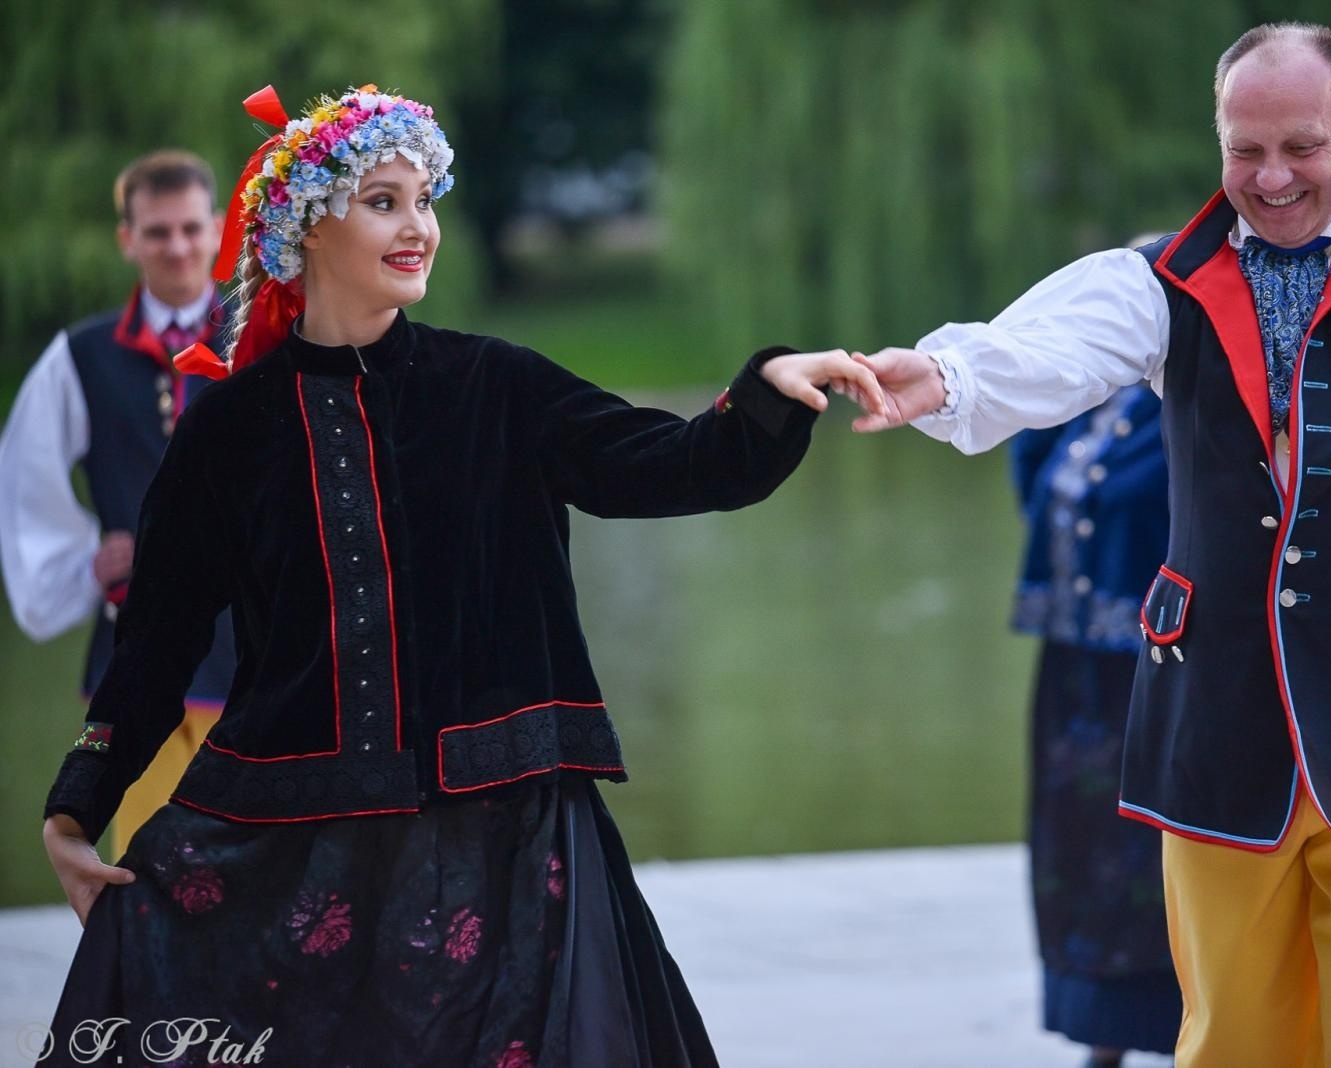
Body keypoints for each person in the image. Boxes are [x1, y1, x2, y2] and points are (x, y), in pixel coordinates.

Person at [38, 84, 883, 1068]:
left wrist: (768, 389)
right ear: (306, 226)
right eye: (383, 201)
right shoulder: (229, 430)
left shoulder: (498, 386)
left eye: (426, 199)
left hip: (511, 838)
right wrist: (76, 806)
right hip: (300, 843)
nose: (419, 228)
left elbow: (678, 462)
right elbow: (157, 643)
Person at [849, 22, 1331, 1067]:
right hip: (1212, 712)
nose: (1271, 175)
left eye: (1301, 146)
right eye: (1244, 150)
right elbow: (1046, 345)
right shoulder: (1159, 277)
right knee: (1230, 1040)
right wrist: (937, 376)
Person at [0, 150, 236, 859]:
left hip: (257, 644)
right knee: (149, 861)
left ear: (218, 230)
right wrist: (85, 563)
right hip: (135, 651)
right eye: (158, 231)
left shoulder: (266, 335)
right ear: (128, 238)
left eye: (191, 228)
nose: (178, 246)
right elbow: (23, 479)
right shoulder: (82, 355)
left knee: (262, 863)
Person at [1010, 383, 1180, 1067]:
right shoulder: (1087, 391)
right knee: (1077, 853)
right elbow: (1032, 469)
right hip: (1077, 675)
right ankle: (1103, 1029)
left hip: (1167, 672)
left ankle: (1184, 1026)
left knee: (1160, 851)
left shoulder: (1201, 395)